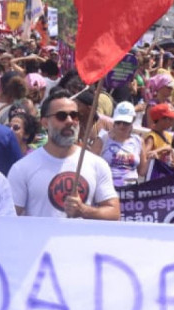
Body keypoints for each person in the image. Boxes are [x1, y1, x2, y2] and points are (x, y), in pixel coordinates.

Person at [7, 89, 119, 220]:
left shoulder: (96, 164)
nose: (70, 121)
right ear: (44, 123)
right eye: (61, 116)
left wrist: (84, 210)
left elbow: (114, 213)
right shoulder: (22, 168)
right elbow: (9, 217)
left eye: (74, 115)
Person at [87, 101, 146, 186]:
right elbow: (90, 165)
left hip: (130, 190)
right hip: (107, 187)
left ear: (132, 121)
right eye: (118, 122)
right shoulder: (103, 138)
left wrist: (153, 159)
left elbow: (142, 171)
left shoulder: (138, 141)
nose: (121, 125)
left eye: (126, 123)